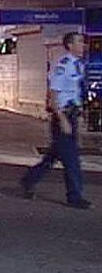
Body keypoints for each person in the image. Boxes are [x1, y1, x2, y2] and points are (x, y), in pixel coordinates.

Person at [20, 32, 92, 209]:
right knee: (72, 159)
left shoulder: (79, 66)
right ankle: (74, 196)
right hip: (63, 117)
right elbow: (53, 94)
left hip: (72, 115)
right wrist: (62, 119)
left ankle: (29, 179)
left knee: (53, 156)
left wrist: (79, 117)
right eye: (79, 42)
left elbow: (75, 93)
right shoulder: (63, 66)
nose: (83, 46)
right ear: (69, 45)